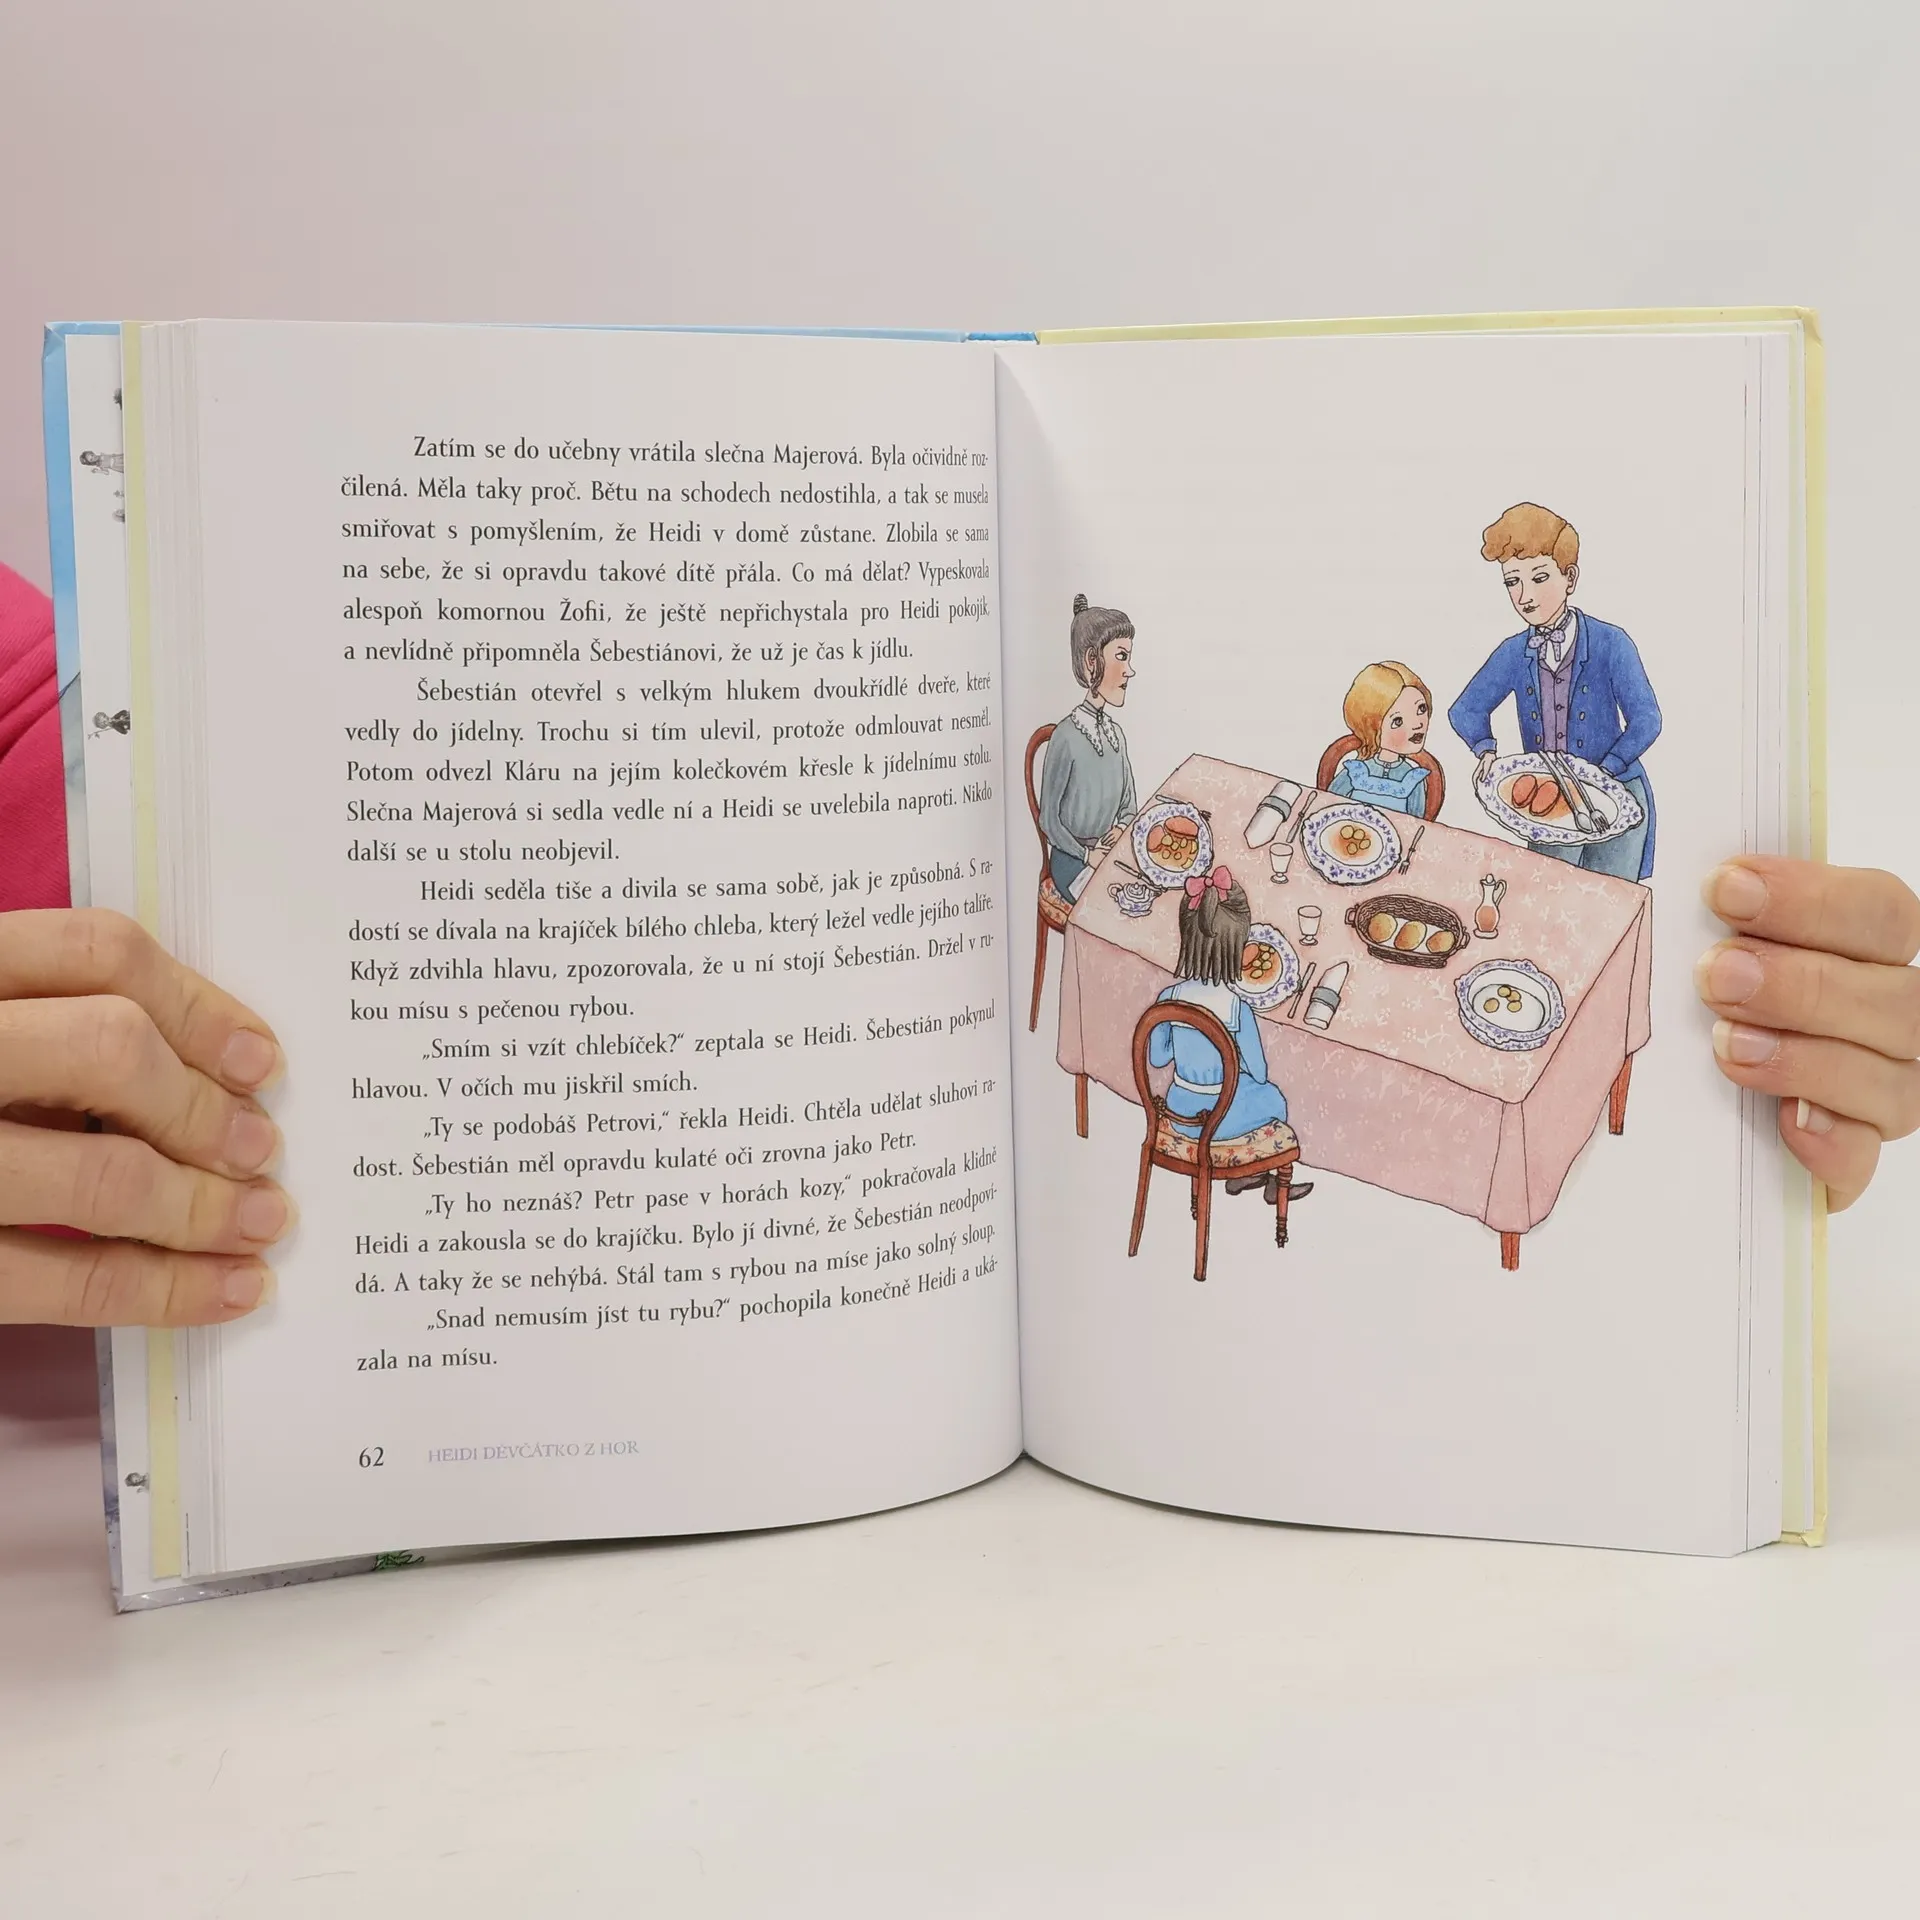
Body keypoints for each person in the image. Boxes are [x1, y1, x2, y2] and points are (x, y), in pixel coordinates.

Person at [1448, 502, 1661, 880]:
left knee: (1610, 902)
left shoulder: (1612, 643)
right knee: (1551, 900)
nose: (1525, 595)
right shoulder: (1514, 652)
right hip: (1548, 806)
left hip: (1617, 799)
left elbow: (1647, 719)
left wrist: (1607, 769)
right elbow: (1465, 709)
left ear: (1570, 578)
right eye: (1512, 582)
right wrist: (1484, 748)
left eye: (1540, 578)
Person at [1148, 867, 1312, 1205]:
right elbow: (1259, 1072)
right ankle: (1255, 1174)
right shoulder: (1237, 1008)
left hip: (1181, 1110)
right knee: (1274, 1099)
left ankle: (1246, 1176)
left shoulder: (1167, 999)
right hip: (1221, 1117)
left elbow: (1157, 1058)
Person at [1038, 594, 1138, 898]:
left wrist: (1119, 829)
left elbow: (1129, 806)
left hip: (1107, 855)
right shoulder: (1066, 737)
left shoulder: (1116, 735)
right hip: (1072, 862)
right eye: (1121, 656)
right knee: (1111, 906)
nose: (1129, 670)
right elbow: (1049, 820)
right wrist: (1086, 855)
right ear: (1092, 661)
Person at [1327, 661, 1436, 816]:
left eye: (1421, 709)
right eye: (1398, 721)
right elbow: (1328, 805)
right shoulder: (1356, 772)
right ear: (1373, 728)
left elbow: (1416, 823)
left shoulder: (1413, 779)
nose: (1418, 724)